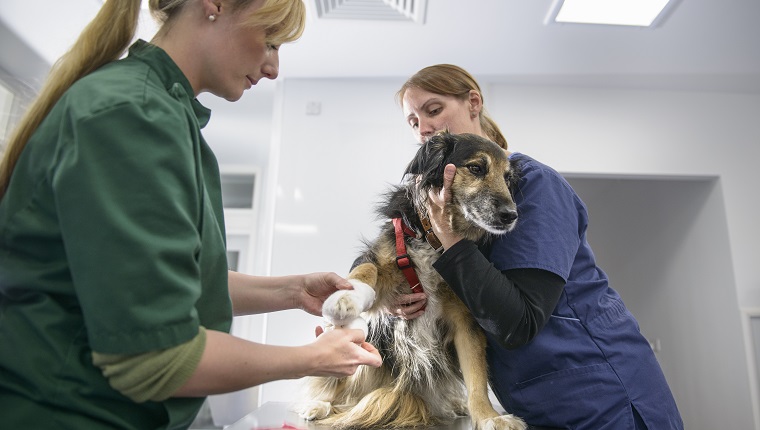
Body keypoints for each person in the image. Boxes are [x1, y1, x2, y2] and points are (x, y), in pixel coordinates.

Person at [0, 1, 381, 428]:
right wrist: (312, 358)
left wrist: (293, 291)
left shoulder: (163, 113)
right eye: (270, 41)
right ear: (213, 5)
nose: (273, 68)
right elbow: (154, 358)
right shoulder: (134, 115)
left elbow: (161, 282)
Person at [393, 64, 684, 429]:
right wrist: (405, 301)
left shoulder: (534, 183)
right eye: (412, 122)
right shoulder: (446, 206)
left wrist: (449, 241)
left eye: (433, 110)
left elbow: (519, 322)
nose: (423, 128)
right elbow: (401, 254)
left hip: (600, 393)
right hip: (534, 398)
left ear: (473, 103)